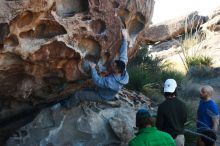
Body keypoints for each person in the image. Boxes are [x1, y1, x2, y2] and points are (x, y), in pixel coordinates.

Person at [60, 29, 129, 108]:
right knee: (87, 87)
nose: (112, 64)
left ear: (117, 70)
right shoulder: (123, 69)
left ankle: (67, 105)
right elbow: (124, 53)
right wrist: (125, 38)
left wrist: (93, 68)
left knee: (78, 94)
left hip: (101, 95)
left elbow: (97, 81)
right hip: (105, 89)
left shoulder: (111, 82)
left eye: (113, 65)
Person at [156, 79, 187, 146]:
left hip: (166, 138)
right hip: (179, 138)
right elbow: (184, 120)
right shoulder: (183, 104)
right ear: (175, 89)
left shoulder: (162, 106)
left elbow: (159, 126)